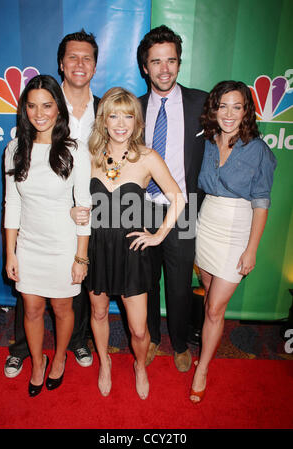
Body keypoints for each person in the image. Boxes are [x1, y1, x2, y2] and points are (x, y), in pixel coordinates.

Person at [72, 87, 185, 399]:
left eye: (128, 116)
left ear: (137, 122)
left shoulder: (147, 157)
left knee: (138, 329)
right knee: (97, 313)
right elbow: (73, 196)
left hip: (133, 252)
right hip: (95, 249)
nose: (121, 123)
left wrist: (158, 234)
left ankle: (139, 365)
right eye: (113, 115)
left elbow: (178, 197)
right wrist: (73, 210)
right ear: (104, 121)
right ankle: (105, 362)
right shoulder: (89, 155)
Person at [4, 29, 99, 378]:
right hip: (29, 247)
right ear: (24, 109)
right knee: (30, 310)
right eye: (31, 105)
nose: (39, 113)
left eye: (47, 105)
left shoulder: (74, 150)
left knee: (62, 309)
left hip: (63, 247)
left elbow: (84, 205)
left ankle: (58, 358)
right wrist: (11, 253)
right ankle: (38, 361)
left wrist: (80, 257)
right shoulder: (14, 150)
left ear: (57, 107)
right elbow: (11, 205)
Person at [190, 80, 277, 403]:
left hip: (237, 230)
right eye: (222, 106)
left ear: (246, 111)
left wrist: (251, 248)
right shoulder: (207, 142)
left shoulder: (258, 150)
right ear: (213, 109)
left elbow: (261, 203)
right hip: (206, 223)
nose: (229, 113)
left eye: (236, 106)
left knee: (214, 307)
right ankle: (205, 351)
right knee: (208, 297)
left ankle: (203, 369)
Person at [137, 25, 208, 372]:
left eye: (171, 61)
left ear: (179, 64)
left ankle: (179, 342)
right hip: (141, 210)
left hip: (183, 210)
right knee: (146, 282)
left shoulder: (202, 103)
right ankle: (150, 338)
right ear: (145, 67)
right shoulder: (132, 109)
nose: (164, 69)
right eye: (156, 62)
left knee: (179, 285)